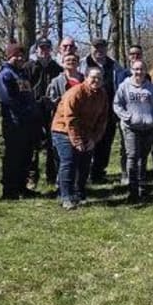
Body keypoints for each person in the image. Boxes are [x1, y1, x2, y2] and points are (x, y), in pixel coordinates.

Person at [50, 66, 109, 209]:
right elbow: (70, 118)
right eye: (93, 77)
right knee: (69, 161)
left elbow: (102, 120)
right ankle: (66, 196)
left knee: (84, 163)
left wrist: (93, 139)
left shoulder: (102, 95)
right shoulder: (75, 93)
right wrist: (76, 141)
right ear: (86, 77)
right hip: (63, 130)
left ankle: (79, 193)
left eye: (99, 78)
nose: (96, 80)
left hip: (86, 132)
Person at [113, 59, 153, 202]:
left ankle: (142, 187)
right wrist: (126, 117)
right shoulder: (124, 86)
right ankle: (132, 189)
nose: (138, 72)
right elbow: (117, 104)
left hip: (148, 128)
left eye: (141, 69)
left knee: (143, 157)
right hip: (131, 128)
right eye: (136, 69)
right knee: (132, 156)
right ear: (131, 70)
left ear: (145, 70)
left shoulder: (152, 88)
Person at [0, 43, 40, 200]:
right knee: (13, 157)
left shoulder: (22, 74)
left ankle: (22, 187)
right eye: (17, 55)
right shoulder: (5, 75)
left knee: (26, 156)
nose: (20, 58)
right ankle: (9, 190)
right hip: (14, 123)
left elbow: (28, 95)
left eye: (22, 55)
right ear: (9, 56)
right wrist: (25, 111)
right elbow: (8, 100)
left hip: (28, 123)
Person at [84, 39, 126, 185]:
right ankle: (85, 172)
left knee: (105, 143)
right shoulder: (84, 64)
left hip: (108, 112)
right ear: (91, 48)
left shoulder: (114, 66)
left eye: (102, 47)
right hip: (88, 112)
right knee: (88, 142)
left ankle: (99, 172)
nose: (99, 51)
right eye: (96, 47)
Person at [26, 38, 62, 190]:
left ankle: (52, 176)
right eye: (41, 48)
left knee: (52, 144)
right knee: (33, 145)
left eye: (47, 48)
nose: (44, 50)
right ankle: (32, 177)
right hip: (34, 110)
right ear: (37, 49)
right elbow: (25, 88)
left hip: (52, 110)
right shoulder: (30, 66)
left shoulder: (57, 68)